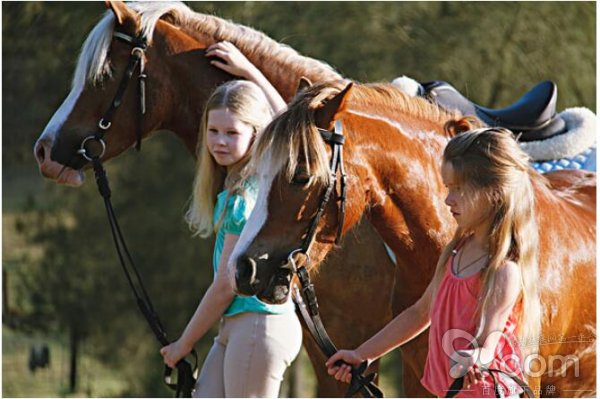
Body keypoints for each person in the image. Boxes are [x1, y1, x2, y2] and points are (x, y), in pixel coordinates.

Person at [325, 118, 543, 398]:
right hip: (452, 392)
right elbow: (419, 313)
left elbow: (489, 341)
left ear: (493, 194)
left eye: (458, 190)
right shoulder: (456, 250)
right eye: (447, 188)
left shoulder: (502, 270)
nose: (448, 200)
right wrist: (362, 354)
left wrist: (477, 357)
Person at [160, 41, 302, 398]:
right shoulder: (240, 187)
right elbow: (281, 116)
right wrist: (248, 74)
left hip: (257, 324)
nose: (219, 142)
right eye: (213, 131)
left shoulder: (251, 193)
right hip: (237, 327)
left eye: (232, 133)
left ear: (256, 133)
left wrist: (183, 344)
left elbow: (226, 285)